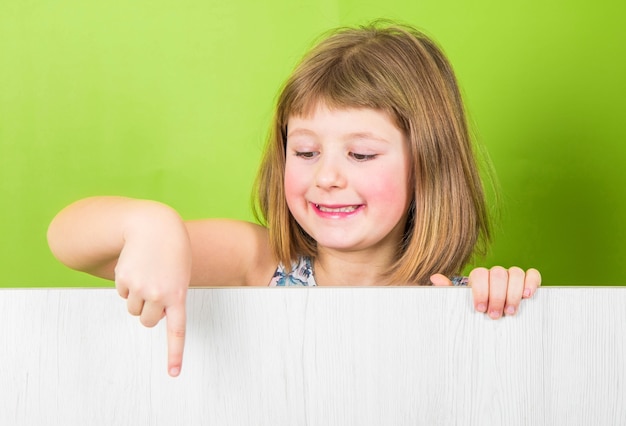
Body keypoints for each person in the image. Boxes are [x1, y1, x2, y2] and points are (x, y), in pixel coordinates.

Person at [47, 21, 541, 377]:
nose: (326, 176)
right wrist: (149, 224)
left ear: (428, 166)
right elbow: (69, 240)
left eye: (361, 155)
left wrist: (499, 298)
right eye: (305, 150)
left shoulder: (453, 301)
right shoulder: (260, 263)